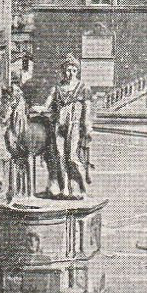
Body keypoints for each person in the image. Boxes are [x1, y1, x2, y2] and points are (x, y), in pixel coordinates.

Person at [32, 55, 91, 197]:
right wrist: (38, 108)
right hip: (59, 126)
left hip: (74, 126)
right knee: (59, 157)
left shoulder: (82, 88)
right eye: (67, 70)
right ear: (62, 71)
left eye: (73, 70)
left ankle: (81, 187)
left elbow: (87, 109)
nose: (69, 74)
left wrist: (87, 126)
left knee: (71, 157)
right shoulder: (57, 89)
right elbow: (47, 106)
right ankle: (64, 189)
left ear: (77, 71)